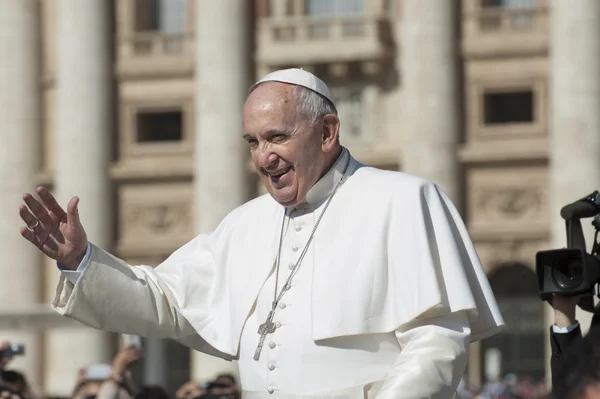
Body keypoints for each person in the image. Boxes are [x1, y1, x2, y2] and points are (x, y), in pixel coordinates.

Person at [18, 68, 505, 398]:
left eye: (276, 137)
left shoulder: (403, 200)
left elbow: (437, 342)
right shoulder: (247, 222)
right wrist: (80, 259)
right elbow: (164, 300)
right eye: (252, 141)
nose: (262, 157)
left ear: (327, 132)